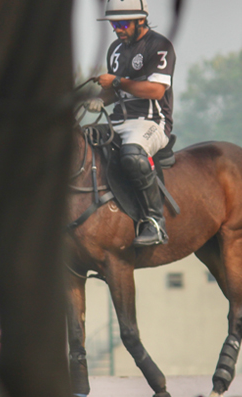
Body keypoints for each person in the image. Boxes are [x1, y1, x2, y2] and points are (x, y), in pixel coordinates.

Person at [85, 0, 176, 246]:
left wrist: (116, 81)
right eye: (114, 24)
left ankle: (155, 222)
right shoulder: (115, 48)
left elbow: (156, 90)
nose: (118, 29)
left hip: (152, 121)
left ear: (140, 21)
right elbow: (115, 90)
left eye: (123, 23)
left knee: (132, 156)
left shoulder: (159, 45)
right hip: (119, 119)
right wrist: (99, 100)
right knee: (82, 143)